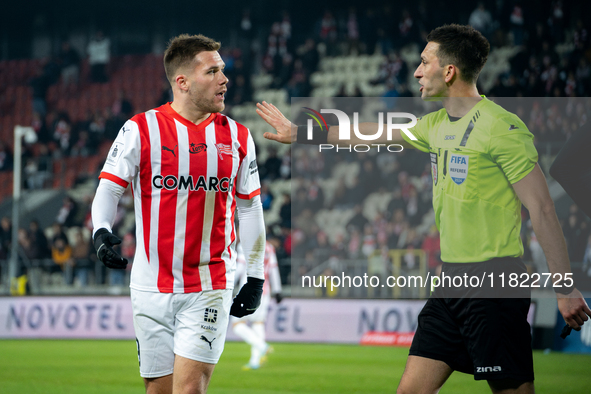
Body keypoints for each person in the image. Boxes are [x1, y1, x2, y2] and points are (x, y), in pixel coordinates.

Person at [256, 24, 591, 394]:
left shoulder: (502, 128)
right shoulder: (434, 125)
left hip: (494, 283)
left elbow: (543, 210)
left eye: (424, 61)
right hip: (450, 283)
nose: (416, 71)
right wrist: (302, 133)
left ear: (449, 72)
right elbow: (372, 132)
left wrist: (564, 288)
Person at [91, 34, 265, 394]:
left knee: (189, 390)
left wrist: (256, 275)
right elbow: (109, 188)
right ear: (182, 82)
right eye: (213, 71)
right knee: (158, 391)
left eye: (223, 70)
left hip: (209, 284)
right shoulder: (140, 129)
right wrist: (101, 231)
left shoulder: (238, 137)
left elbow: (249, 207)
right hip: (149, 285)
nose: (224, 79)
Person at [232, 238, 283, 370]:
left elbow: (240, 267)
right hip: (264, 291)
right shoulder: (269, 247)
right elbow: (274, 269)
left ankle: (262, 346)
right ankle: (255, 361)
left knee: (237, 325)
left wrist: (229, 285)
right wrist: (277, 290)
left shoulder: (245, 244)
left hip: (247, 290)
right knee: (258, 323)